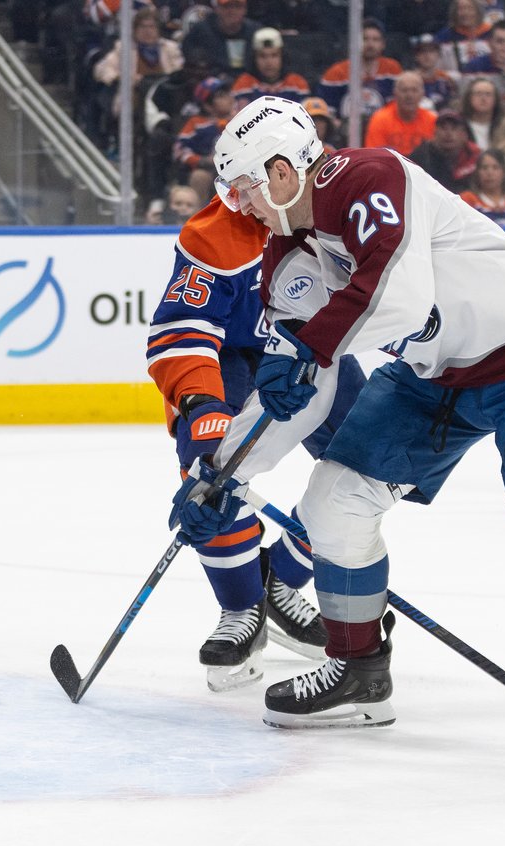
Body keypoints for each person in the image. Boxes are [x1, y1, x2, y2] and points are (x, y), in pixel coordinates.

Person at [178, 95, 505, 755]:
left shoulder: (369, 178)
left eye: (243, 187)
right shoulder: (286, 264)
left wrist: (310, 348)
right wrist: (222, 473)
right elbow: (299, 392)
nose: (238, 205)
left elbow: (399, 299)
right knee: (334, 502)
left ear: (282, 171)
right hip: (435, 377)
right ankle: (358, 671)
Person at [149, 195, 365, 688]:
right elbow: (183, 328)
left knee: (372, 457)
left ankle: (281, 577)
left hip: (307, 342)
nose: (248, 193)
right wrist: (202, 403)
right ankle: (242, 607)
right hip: (224, 358)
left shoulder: (336, 205)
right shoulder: (213, 234)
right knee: (209, 471)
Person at [318, 19, 401, 124]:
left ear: (383, 44)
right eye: (365, 39)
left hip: (383, 130)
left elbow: (399, 109)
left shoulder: (392, 70)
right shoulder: (336, 74)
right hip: (345, 132)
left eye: (375, 40)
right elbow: (326, 115)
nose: (370, 44)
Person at [230, 27, 308, 111]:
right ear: (254, 59)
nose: (269, 62)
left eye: (274, 55)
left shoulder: (297, 83)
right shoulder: (243, 83)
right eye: (262, 56)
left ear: (283, 57)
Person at [363, 72, 436, 157]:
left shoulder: (432, 120)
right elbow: (373, 156)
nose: (409, 96)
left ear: (422, 94)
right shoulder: (380, 119)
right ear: (395, 93)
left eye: (414, 90)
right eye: (404, 90)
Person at [409, 109, 480, 192]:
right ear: (435, 132)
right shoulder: (420, 157)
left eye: (454, 129)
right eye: (443, 128)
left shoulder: (474, 156)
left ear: (464, 135)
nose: (448, 133)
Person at [408, 32, 458, 113]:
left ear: (438, 54)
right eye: (422, 51)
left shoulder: (446, 80)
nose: (427, 55)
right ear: (416, 56)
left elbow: (453, 106)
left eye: (431, 51)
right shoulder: (408, 80)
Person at [459, 75, 502, 148]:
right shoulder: (459, 124)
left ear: (496, 99)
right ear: (469, 97)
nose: (483, 98)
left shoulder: (504, 125)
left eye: (488, 94)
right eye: (478, 94)